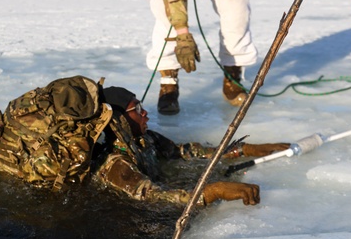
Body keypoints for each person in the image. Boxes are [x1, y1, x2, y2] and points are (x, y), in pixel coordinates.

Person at [92, 86, 288, 207]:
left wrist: (244, 149)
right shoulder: (115, 164)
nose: (145, 114)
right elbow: (153, 197)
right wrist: (213, 192)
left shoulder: (144, 140)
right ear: (119, 120)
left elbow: (182, 152)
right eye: (137, 110)